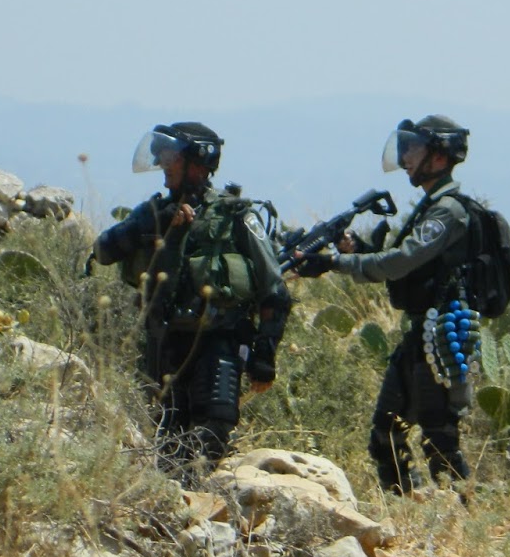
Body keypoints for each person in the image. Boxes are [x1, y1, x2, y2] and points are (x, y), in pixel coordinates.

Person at [92, 122, 289, 480]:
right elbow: (103, 251)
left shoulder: (234, 216)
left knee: (213, 427)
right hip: (164, 345)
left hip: (218, 342)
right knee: (166, 441)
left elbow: (274, 288)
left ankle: (198, 502)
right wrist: (154, 226)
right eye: (162, 156)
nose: (163, 163)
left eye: (171, 156)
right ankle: (178, 510)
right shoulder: (153, 211)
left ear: (198, 162)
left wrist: (264, 353)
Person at [296, 115, 476, 495]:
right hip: (418, 336)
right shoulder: (431, 206)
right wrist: (358, 251)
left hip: (442, 337)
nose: (405, 156)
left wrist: (334, 262)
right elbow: (404, 269)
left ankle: (464, 518)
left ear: (439, 158)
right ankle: (404, 511)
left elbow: (399, 262)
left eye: (413, 149)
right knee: (385, 435)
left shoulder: (448, 211)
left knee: (439, 441)